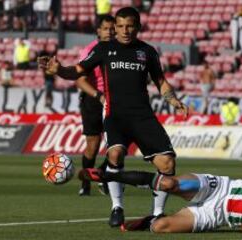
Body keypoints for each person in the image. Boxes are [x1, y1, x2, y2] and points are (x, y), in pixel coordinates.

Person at [38, 7, 188, 227]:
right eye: (120, 26)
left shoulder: (147, 51)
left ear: (138, 27)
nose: (124, 30)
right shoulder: (104, 48)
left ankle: (157, 213)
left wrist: (173, 100)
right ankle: (117, 207)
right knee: (115, 154)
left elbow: (160, 80)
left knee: (167, 163)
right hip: (115, 114)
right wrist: (59, 70)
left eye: (129, 26)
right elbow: (78, 71)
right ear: (115, 27)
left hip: (143, 116)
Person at [79, 147, 242, 234]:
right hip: (220, 187)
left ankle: (151, 219)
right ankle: (108, 175)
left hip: (216, 215)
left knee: (161, 228)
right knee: (169, 184)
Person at [76, 15, 116, 197]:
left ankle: (99, 174)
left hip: (115, 99)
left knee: (120, 143)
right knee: (93, 145)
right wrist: (98, 95)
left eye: (112, 28)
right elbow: (80, 79)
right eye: (106, 28)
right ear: (98, 31)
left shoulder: (120, 50)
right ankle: (86, 184)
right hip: (93, 99)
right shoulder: (90, 51)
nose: (110, 32)